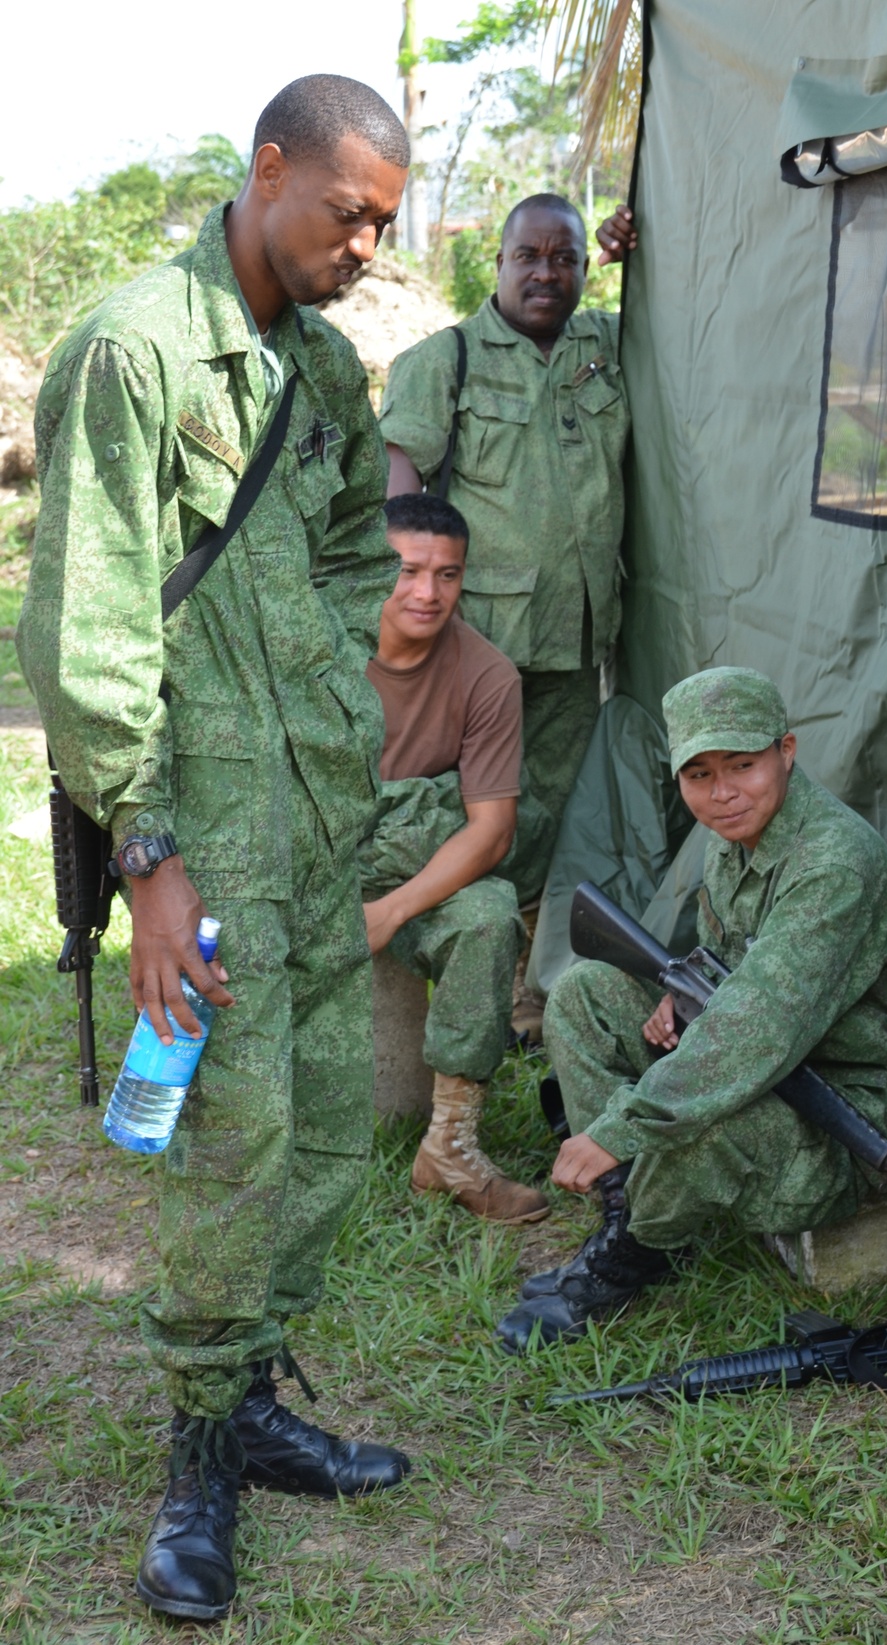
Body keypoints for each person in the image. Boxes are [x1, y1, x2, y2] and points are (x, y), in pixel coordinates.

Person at [18, 75, 413, 1621]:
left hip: (319, 811)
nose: (368, 246)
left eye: (387, 222)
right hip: (206, 840)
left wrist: (324, 684)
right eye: (348, 212)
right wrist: (151, 857)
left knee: (322, 1131)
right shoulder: (133, 345)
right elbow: (88, 626)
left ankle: (252, 1391)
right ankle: (198, 1447)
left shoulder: (319, 363)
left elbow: (354, 551)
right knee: (232, 1140)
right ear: (267, 174)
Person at [495, 667, 887, 1352]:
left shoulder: (834, 864)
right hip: (780, 1063)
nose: (723, 792)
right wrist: (683, 999)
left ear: (786, 752)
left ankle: (630, 1253)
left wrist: (621, 1127)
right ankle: (634, 1212)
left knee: (692, 1125)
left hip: (856, 1110)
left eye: (743, 764)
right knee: (585, 993)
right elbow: (728, 963)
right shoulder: (733, 835)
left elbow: (757, 1028)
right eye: (699, 774)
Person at [379, 194, 633, 1033]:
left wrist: (639, 248)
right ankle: (439, 954)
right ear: (498, 261)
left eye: (564, 258)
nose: (545, 273)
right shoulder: (444, 360)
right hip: (481, 643)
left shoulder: (606, 348)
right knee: (468, 806)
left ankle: (525, 985)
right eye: (529, 255)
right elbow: (399, 497)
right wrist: (419, 615)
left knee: (551, 808)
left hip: (578, 634)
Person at [360, 491, 549, 1224]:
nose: (426, 592)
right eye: (407, 570)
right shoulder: (324, 646)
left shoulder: (487, 674)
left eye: (447, 575)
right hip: (311, 862)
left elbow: (491, 830)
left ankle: (449, 1143)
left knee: (489, 912)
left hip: (412, 878)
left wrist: (391, 911)